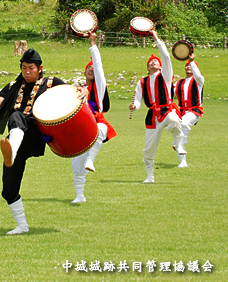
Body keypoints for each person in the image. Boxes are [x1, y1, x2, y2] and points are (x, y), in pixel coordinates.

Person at [0, 49, 87, 235]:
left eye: (31, 68)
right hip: (16, 141)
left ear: (40, 68)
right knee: (8, 189)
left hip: (37, 135)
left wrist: (83, 89)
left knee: (17, 116)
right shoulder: (13, 85)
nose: (27, 71)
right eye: (24, 68)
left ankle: (13, 149)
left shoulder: (51, 83)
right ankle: (22, 226)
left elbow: (72, 92)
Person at [129, 30, 184, 183]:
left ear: (161, 67)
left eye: (156, 61)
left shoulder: (165, 75)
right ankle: (149, 176)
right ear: (148, 67)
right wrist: (135, 106)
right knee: (148, 149)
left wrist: (156, 38)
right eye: (150, 62)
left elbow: (166, 57)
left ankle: (178, 145)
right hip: (152, 116)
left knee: (174, 120)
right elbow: (138, 100)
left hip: (166, 109)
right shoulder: (142, 81)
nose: (153, 62)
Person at [69, 32, 116, 203]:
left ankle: (91, 159)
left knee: (102, 129)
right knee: (76, 164)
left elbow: (99, 66)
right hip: (80, 128)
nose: (91, 69)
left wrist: (92, 44)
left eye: (92, 68)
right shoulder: (77, 89)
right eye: (87, 68)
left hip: (96, 122)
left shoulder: (100, 87)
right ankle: (80, 196)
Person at [173, 53, 204, 167]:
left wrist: (192, 61)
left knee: (184, 123)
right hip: (181, 112)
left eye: (190, 66)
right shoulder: (179, 82)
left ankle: (179, 144)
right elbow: (169, 91)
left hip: (194, 110)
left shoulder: (198, 81)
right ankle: (183, 161)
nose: (188, 67)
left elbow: (198, 76)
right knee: (176, 130)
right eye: (186, 65)